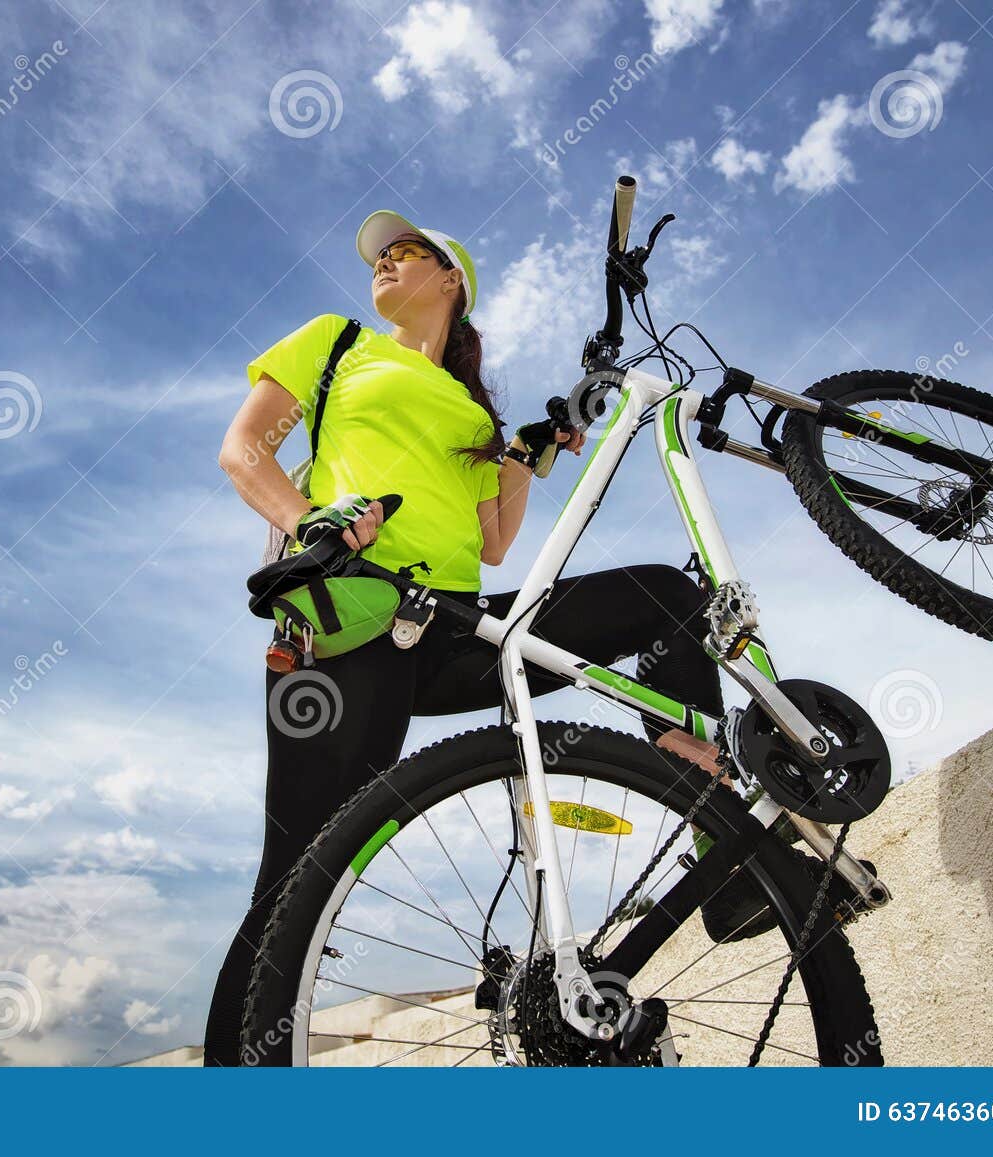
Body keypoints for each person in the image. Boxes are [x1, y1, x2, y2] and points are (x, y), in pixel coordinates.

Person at [202, 211, 737, 1065]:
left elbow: (492, 544)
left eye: (409, 252)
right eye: (383, 253)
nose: (388, 260)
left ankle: (721, 844)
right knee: (299, 875)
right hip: (349, 622)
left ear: (452, 281)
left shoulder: (472, 411)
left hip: (455, 625)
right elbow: (242, 451)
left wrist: (523, 456)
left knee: (668, 598)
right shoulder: (337, 343)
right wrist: (313, 523)